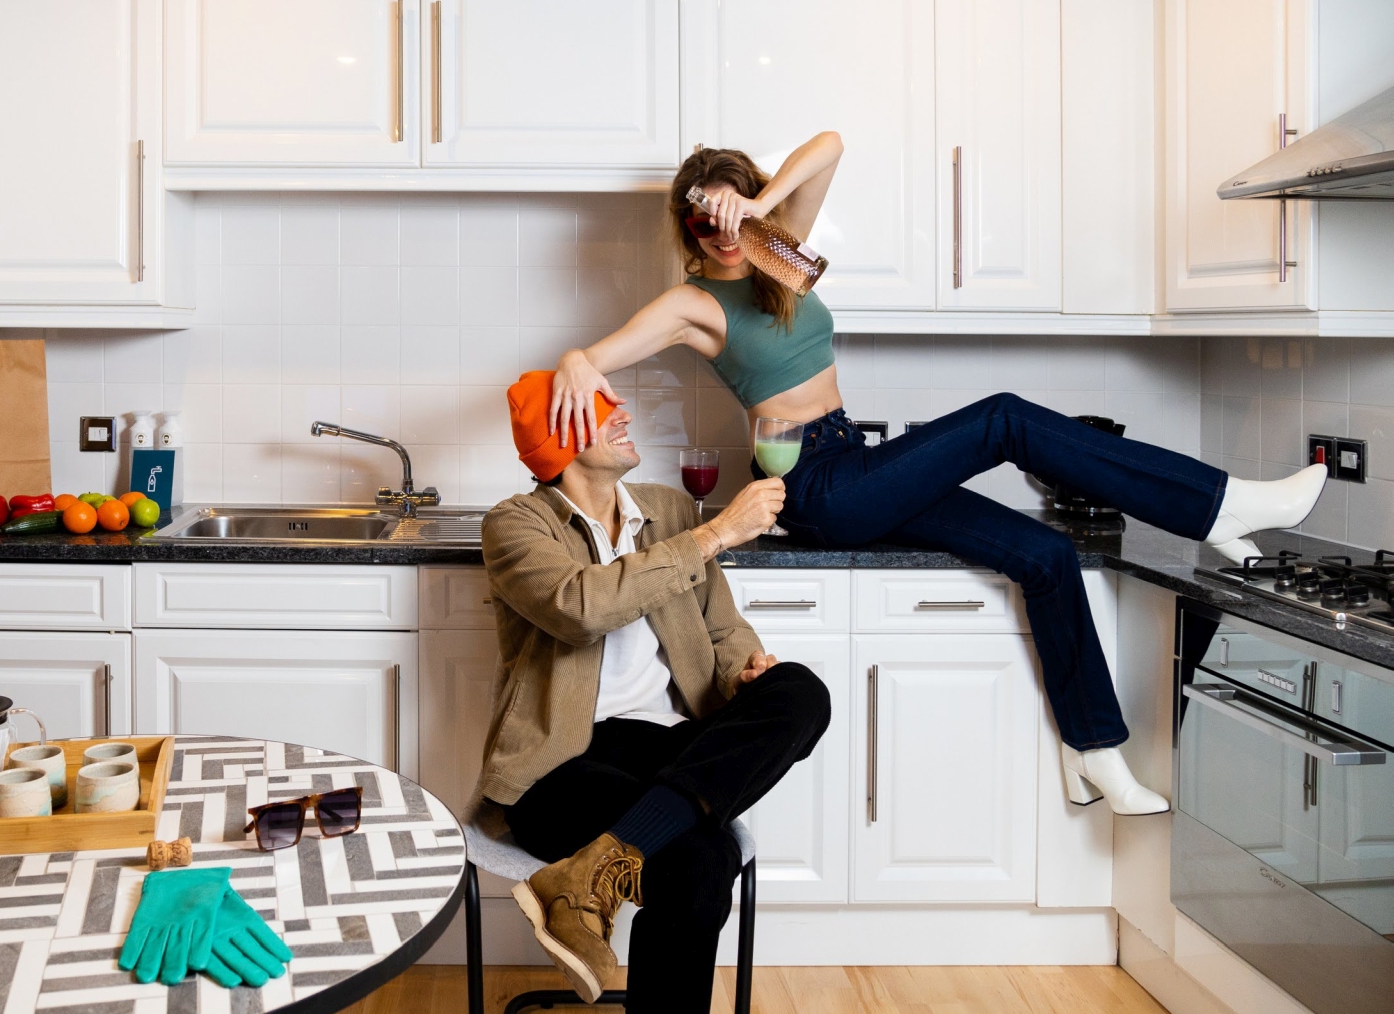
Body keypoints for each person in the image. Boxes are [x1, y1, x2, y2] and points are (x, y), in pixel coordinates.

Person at [544, 140, 1328, 816]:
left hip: (853, 463)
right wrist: (580, 360)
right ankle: (1218, 504)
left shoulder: (778, 261)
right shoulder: (695, 303)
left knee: (1045, 557)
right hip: (813, 482)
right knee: (1006, 419)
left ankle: (1093, 750)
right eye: (704, 222)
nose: (720, 233)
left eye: (731, 213)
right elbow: (595, 355)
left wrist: (755, 207)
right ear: (688, 229)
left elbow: (830, 145)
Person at [480, 370, 832, 1014]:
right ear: (560, 439)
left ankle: (592, 871)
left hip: (675, 750)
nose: (623, 416)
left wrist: (744, 673)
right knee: (700, 860)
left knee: (803, 691)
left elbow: (722, 627)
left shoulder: (669, 510)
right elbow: (580, 606)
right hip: (561, 767)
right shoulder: (516, 524)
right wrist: (715, 535)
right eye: (602, 408)